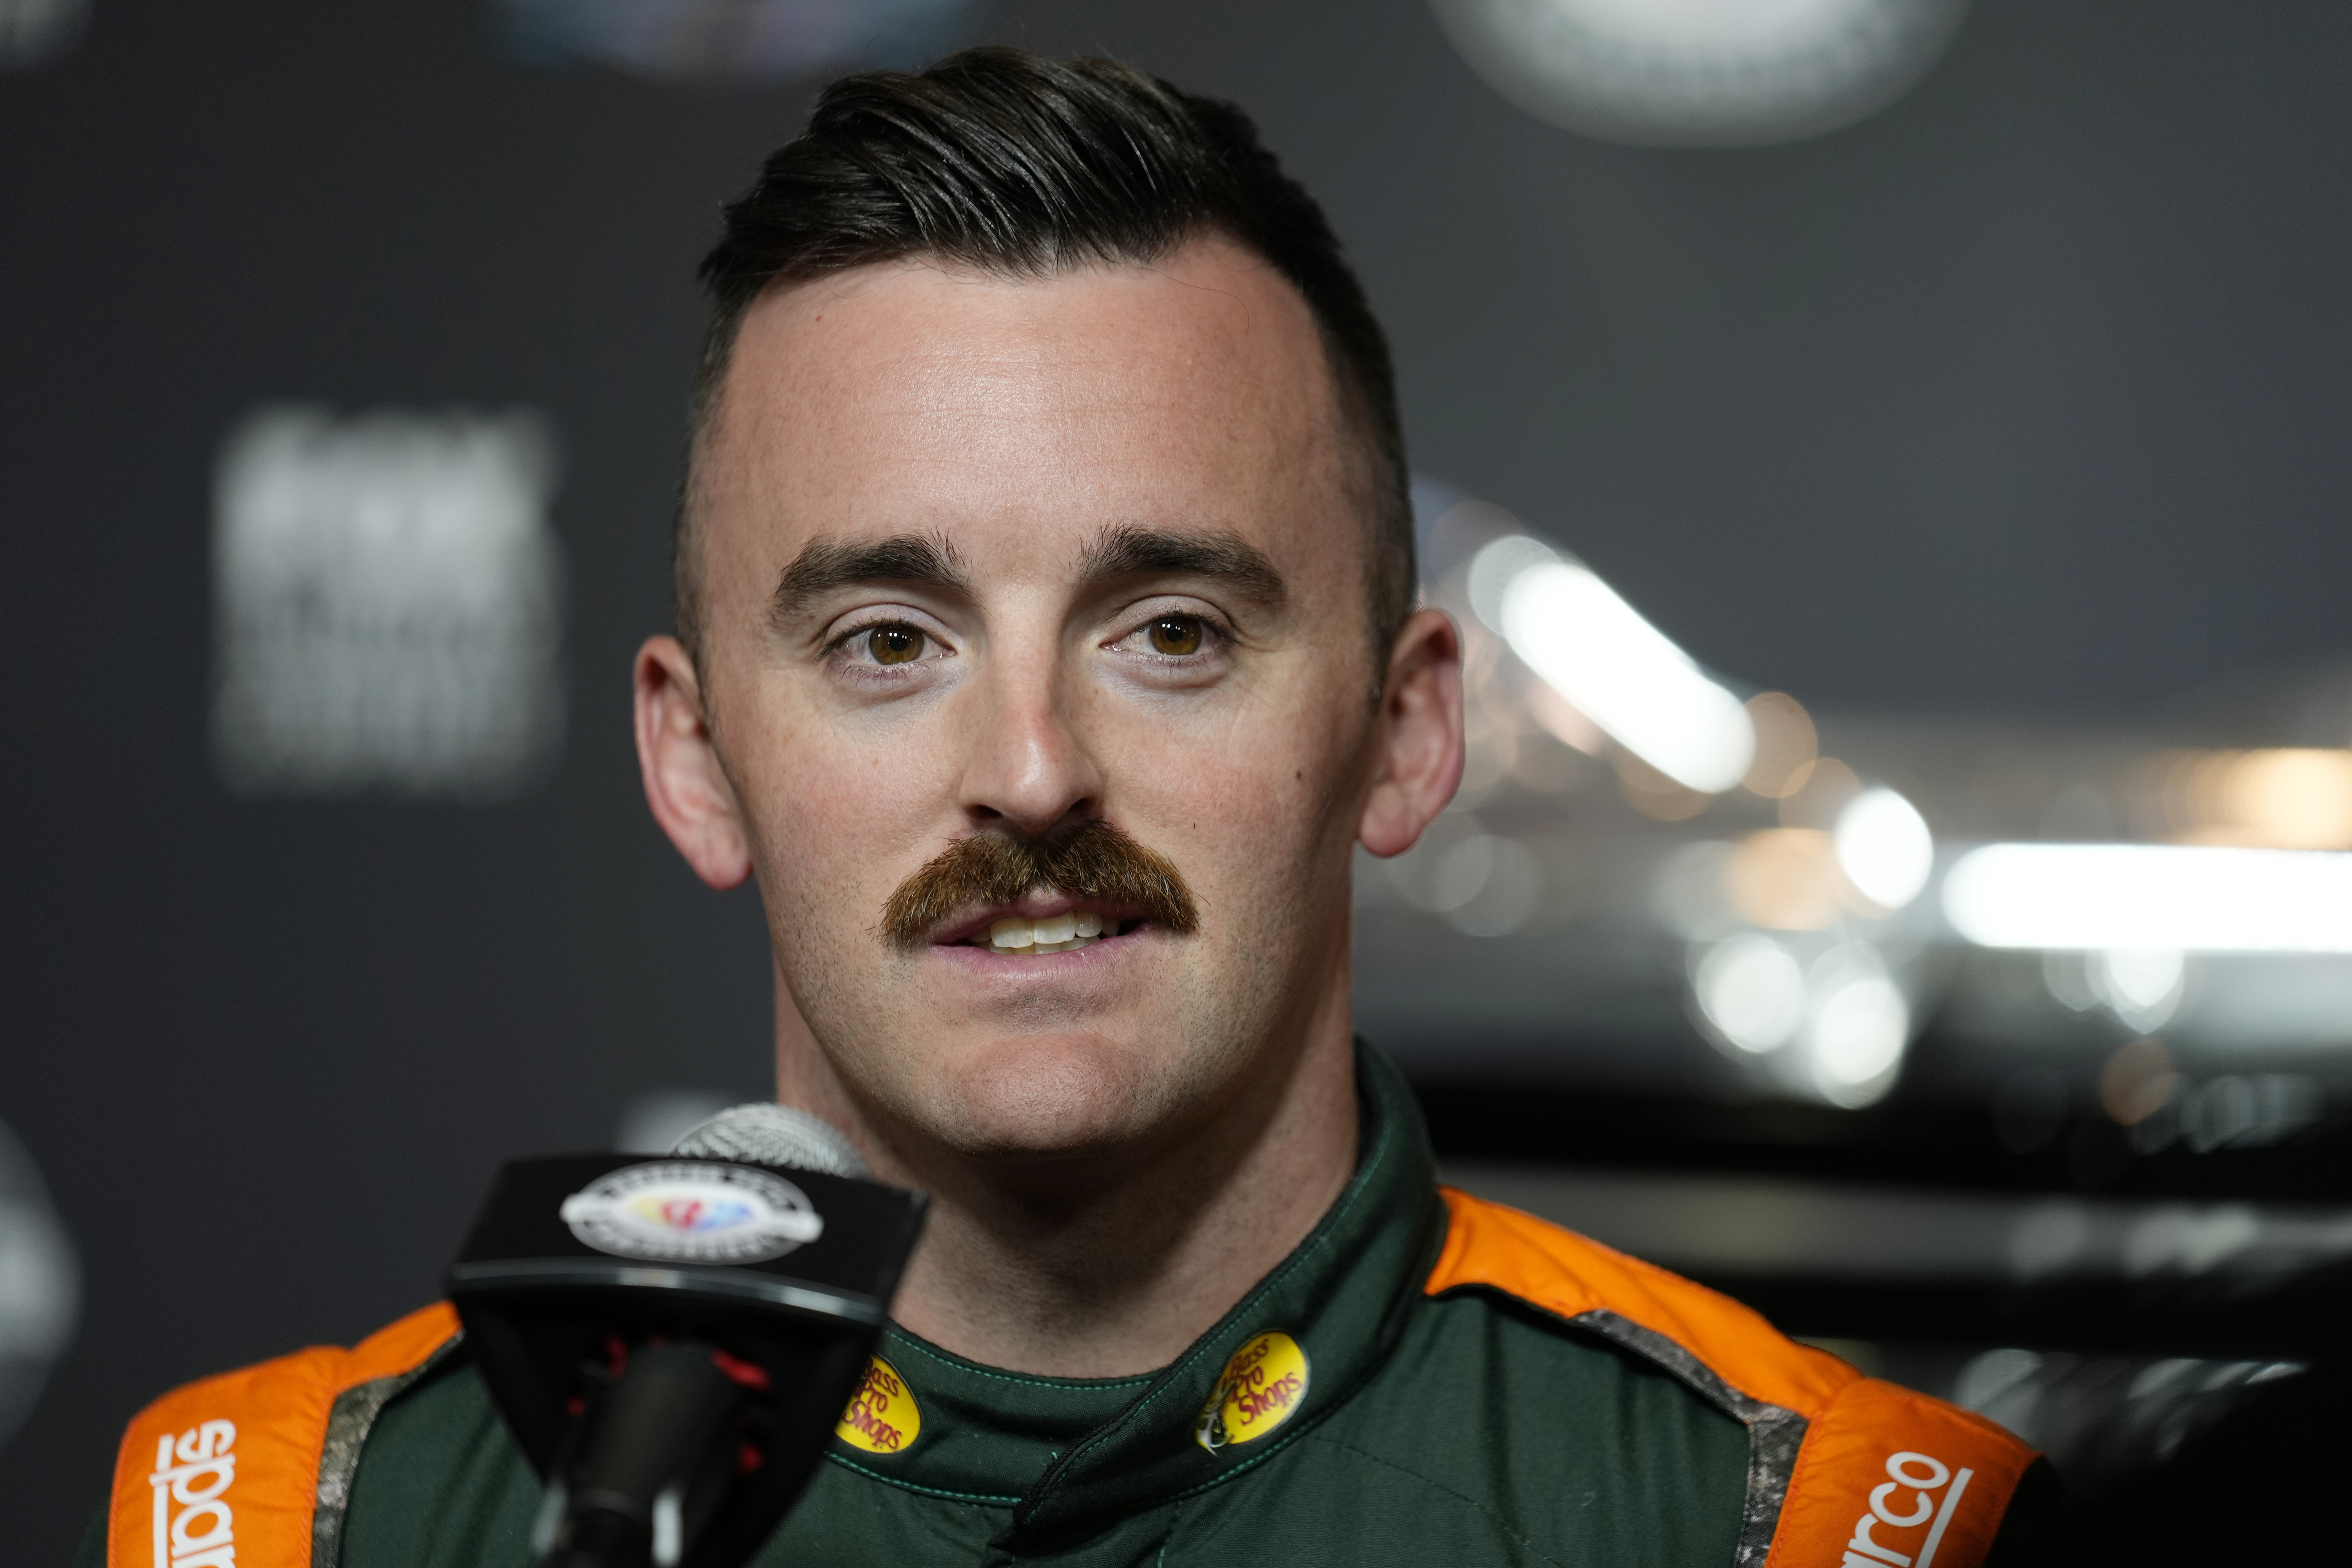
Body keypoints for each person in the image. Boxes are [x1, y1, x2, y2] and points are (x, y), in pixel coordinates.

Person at [86, 47, 2047, 1568]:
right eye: (885, 640)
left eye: (1172, 629)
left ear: (1405, 729)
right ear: (693, 760)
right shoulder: (297, 1522)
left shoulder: (1796, 1523)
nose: (1030, 770)